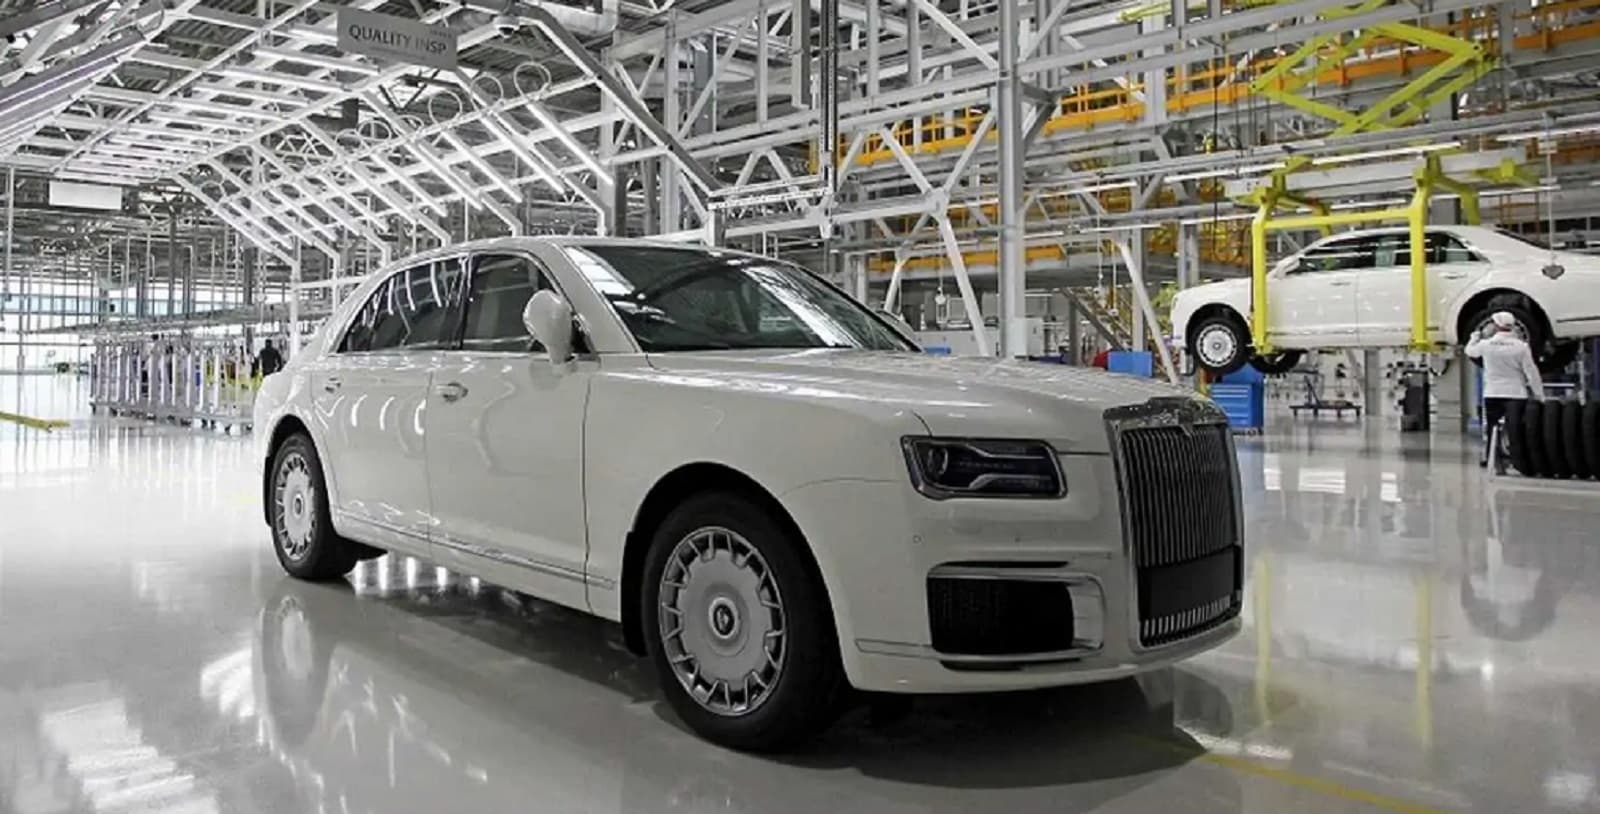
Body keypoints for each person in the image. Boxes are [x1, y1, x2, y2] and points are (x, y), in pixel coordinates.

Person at [1465, 311, 1545, 470]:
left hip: (1493, 393)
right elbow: (1531, 372)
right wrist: (1539, 394)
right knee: (1516, 429)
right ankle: (1518, 461)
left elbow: (1470, 351)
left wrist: (1474, 337)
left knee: (1492, 427)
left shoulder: (1486, 345)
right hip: (1516, 394)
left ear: (1496, 326)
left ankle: (1493, 460)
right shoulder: (1521, 347)